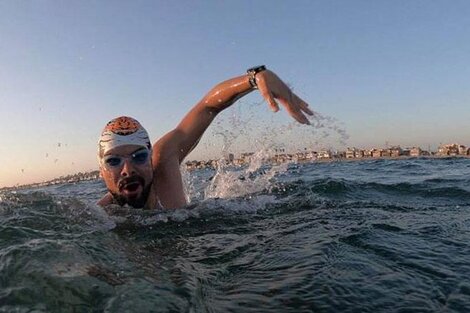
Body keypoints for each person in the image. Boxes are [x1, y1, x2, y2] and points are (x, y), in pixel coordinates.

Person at [97, 66, 313, 210]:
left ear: (151, 157)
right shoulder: (99, 218)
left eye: (139, 156)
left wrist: (255, 77)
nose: (128, 169)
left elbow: (208, 106)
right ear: (102, 171)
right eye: (113, 161)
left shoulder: (163, 160)